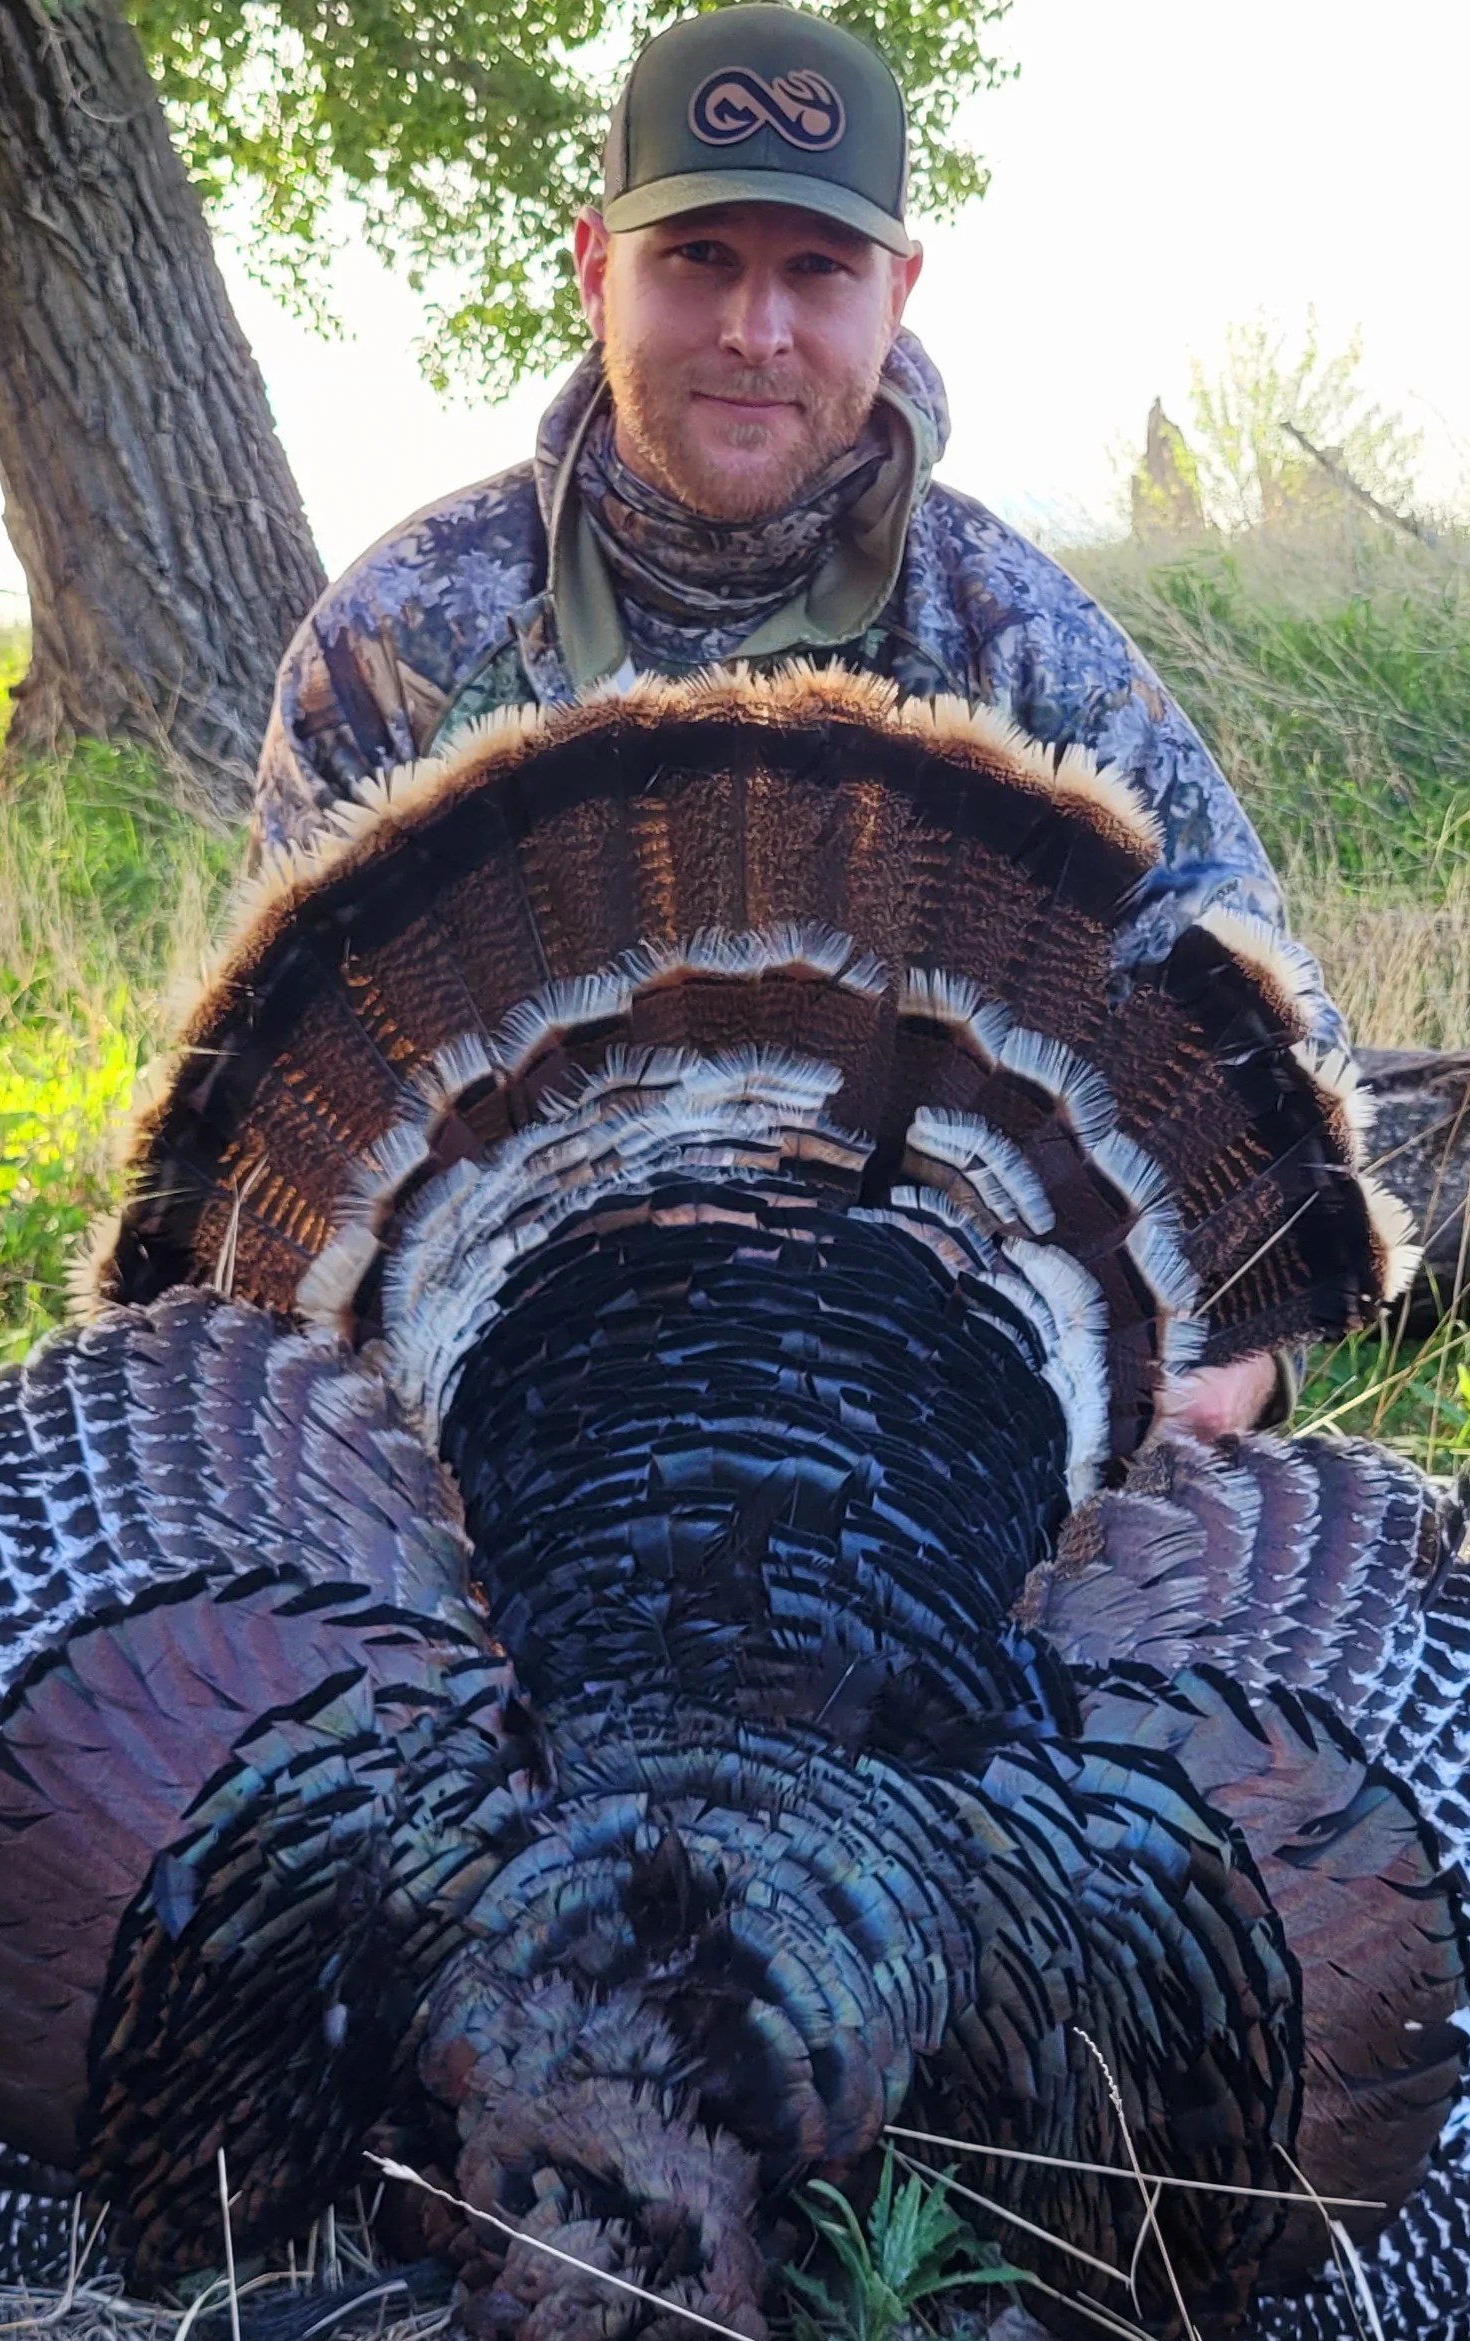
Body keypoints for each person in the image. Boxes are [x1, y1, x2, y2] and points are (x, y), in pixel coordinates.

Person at [250, 3, 1321, 1434]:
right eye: (698, 258)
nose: (755, 331)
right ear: (594, 269)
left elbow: (1270, 1054)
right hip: (491, 1447)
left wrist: (1227, 1375)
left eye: (816, 271)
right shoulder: (403, 639)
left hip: (921, 1452)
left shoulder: (1019, 647)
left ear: (899, 291)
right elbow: (279, 1166)